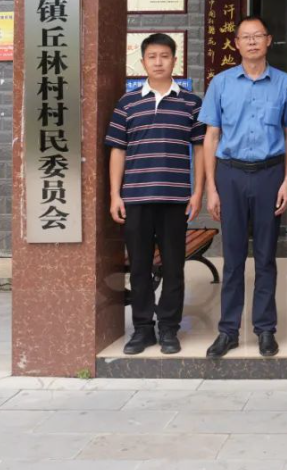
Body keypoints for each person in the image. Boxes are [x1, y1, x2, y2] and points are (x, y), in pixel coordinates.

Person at [199, 16, 287, 359]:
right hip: (230, 174)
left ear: (269, 40)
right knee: (232, 257)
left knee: (266, 257)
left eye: (258, 35)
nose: (253, 42)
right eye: (246, 37)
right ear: (237, 43)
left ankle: (265, 329)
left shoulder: (284, 83)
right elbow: (211, 136)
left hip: (270, 174)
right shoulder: (221, 83)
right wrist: (212, 188)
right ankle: (228, 330)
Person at [105, 33, 205, 355]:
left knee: (174, 266)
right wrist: (115, 195)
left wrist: (198, 192)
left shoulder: (191, 103)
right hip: (135, 198)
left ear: (175, 60)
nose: (158, 62)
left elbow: (200, 150)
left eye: (164, 56)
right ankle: (143, 329)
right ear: (143, 62)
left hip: (175, 199)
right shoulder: (127, 103)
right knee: (139, 266)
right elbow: (118, 150)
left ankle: (169, 329)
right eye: (152, 56)